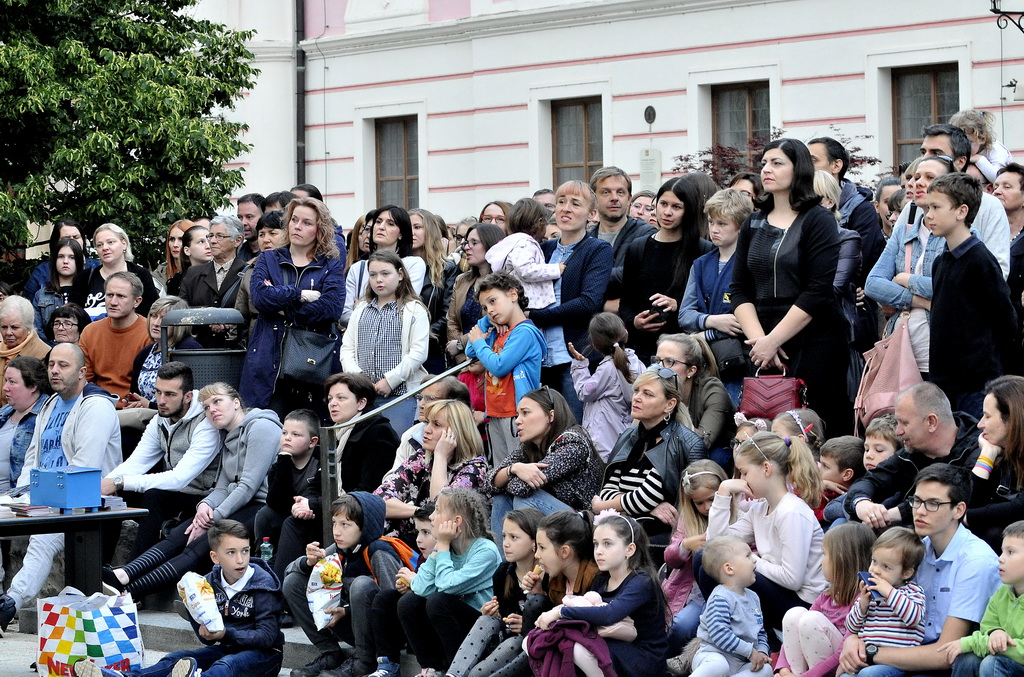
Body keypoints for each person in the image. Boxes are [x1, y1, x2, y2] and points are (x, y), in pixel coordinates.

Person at [104, 382, 281, 598]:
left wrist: (213, 517)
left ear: (236, 403)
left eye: (217, 401)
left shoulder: (262, 427)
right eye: (206, 407)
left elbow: (248, 486)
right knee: (183, 532)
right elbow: (223, 485)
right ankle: (123, 575)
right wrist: (204, 506)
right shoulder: (226, 435)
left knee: (204, 540)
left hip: (262, 506)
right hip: (237, 503)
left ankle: (129, 593)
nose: (212, 410)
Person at [731, 138, 850, 434]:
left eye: (777, 163)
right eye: (764, 163)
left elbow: (818, 290)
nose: (766, 169)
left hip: (814, 338)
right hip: (760, 337)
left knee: (809, 429)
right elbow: (739, 287)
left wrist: (774, 341)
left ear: (799, 170)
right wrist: (761, 343)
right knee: (765, 429)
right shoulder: (753, 223)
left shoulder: (818, 220)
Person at [0, 343, 121, 630]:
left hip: (83, 501)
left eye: (63, 365)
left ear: (82, 372)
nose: (55, 370)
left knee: (42, 540)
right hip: (45, 497)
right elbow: (34, 457)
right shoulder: (50, 405)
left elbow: (84, 466)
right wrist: (22, 494)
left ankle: (9, 604)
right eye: (52, 364)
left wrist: (41, 497)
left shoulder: (96, 406)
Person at [837, 465, 1000, 677]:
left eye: (933, 504)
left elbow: (944, 654)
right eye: (917, 501)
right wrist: (852, 639)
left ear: (958, 510)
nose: (920, 511)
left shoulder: (976, 561)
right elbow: (868, 611)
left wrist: (870, 652)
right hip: (903, 650)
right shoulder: (916, 550)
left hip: (949, 664)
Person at [76, 519, 285, 677]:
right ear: (215, 557)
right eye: (231, 553)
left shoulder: (261, 583)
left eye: (245, 551)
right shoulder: (205, 584)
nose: (240, 560)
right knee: (177, 658)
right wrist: (207, 630)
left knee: (225, 666)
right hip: (226, 647)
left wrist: (225, 633)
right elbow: (206, 637)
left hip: (266, 656)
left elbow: (267, 637)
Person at [702, 432, 826, 632]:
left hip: (801, 604)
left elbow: (792, 579)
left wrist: (751, 559)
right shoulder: (760, 508)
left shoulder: (791, 511)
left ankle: (751, 637)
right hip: (778, 590)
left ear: (766, 468)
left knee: (730, 565)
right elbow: (715, 545)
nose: (741, 480)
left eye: (744, 472)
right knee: (704, 559)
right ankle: (723, 631)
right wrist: (723, 493)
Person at [102, 361, 220, 559]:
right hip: (177, 493)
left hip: (204, 498)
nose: (161, 400)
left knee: (153, 496)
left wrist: (119, 482)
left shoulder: (206, 423)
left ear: (188, 396)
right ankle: (99, 569)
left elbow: (179, 478)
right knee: (113, 497)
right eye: (158, 392)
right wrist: (105, 485)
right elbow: (137, 462)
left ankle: (133, 572)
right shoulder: (161, 418)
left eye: (170, 394)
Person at [241, 197, 345, 419]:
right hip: (270, 356)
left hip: (312, 360)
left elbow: (332, 307)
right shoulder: (268, 258)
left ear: (320, 229)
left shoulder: (330, 263)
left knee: (310, 430)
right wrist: (299, 295)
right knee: (267, 424)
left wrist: (282, 306)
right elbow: (260, 298)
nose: (297, 226)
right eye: (294, 220)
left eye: (307, 222)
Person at [284, 492, 409, 677]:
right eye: (335, 523)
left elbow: (392, 604)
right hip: (349, 625)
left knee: (361, 585)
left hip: (384, 635)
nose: (336, 531)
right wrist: (308, 562)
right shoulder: (340, 548)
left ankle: (364, 661)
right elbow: (288, 571)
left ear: (364, 526)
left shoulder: (379, 551)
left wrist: (348, 610)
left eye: (345, 524)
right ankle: (330, 653)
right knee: (292, 582)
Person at [534, 510, 668, 677]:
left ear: (630, 549)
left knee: (580, 650)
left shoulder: (642, 581)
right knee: (563, 643)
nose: (598, 551)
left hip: (645, 658)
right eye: (596, 544)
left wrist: (560, 612)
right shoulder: (601, 580)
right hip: (615, 646)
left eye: (607, 544)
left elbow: (608, 614)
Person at [926, 173, 1015, 418]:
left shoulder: (980, 260)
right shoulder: (941, 262)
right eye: (927, 207)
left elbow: (1005, 320)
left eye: (936, 207)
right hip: (945, 382)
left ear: (961, 211)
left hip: (977, 383)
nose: (929, 215)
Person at [529, 180, 614, 423]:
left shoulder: (598, 249)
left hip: (574, 356)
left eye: (576, 204)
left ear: (593, 214)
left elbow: (588, 302)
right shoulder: (542, 249)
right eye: (561, 202)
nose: (566, 209)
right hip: (539, 356)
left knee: (573, 429)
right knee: (542, 430)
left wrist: (534, 315)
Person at [864, 155, 956, 378]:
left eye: (929, 177)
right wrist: (921, 301)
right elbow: (872, 284)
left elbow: (953, 288)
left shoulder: (962, 235)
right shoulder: (905, 231)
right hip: (901, 350)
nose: (918, 182)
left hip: (944, 351)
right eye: (915, 177)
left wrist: (906, 279)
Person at [594, 368, 707, 547]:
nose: (637, 397)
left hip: (663, 533)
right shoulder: (629, 435)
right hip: (627, 524)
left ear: (669, 405)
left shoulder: (685, 443)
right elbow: (607, 490)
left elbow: (645, 496)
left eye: (648, 394)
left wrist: (601, 507)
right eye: (637, 391)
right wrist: (650, 508)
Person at [845, 382, 980, 530]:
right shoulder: (910, 452)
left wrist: (894, 514)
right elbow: (873, 479)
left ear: (931, 422)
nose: (898, 431)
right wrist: (861, 502)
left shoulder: (976, 451)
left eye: (904, 423)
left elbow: (958, 497)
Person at [398, 487, 503, 674]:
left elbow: (447, 586)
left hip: (483, 627)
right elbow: (420, 587)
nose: (431, 517)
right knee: (409, 602)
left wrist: (443, 546)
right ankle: (430, 668)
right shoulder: (446, 548)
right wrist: (440, 548)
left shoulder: (485, 551)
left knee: (438, 601)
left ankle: (455, 670)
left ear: (456, 522)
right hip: (455, 625)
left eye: (438, 511)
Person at [619, 176, 713, 364]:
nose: (667, 212)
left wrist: (678, 304)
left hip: (686, 350)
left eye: (676, 207)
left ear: (688, 210)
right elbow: (626, 303)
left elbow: (711, 304)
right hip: (642, 351)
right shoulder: (638, 248)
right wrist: (635, 321)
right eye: (663, 204)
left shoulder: (703, 250)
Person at [488, 387, 605, 535]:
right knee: (501, 498)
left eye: (525, 413)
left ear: (550, 416)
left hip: (584, 526)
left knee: (524, 499)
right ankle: (506, 558)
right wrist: (514, 469)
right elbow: (488, 483)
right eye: (517, 415)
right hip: (559, 519)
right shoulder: (529, 446)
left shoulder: (573, 443)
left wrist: (506, 477)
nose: (517, 421)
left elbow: (521, 487)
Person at [374, 399, 489, 544]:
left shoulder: (475, 469)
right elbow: (378, 501)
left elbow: (442, 509)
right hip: (408, 541)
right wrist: (418, 511)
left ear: (457, 431)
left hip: (448, 547)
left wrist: (441, 457)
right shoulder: (422, 457)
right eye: (427, 422)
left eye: (436, 425)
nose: (427, 429)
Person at [445, 507, 542, 677]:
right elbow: (505, 617)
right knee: (486, 620)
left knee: (514, 641)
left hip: (528, 643)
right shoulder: (503, 572)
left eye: (514, 537)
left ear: (534, 542)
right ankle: (452, 674)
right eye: (504, 536)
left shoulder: (545, 574)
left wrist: (527, 624)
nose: (505, 543)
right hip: (504, 638)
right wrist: (497, 615)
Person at [679, 188, 755, 405]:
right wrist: (711, 322)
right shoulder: (701, 264)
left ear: (740, 226)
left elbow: (740, 323)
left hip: (738, 360)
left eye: (723, 224)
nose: (714, 229)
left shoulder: (751, 263)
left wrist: (706, 333)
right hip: (704, 359)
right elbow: (685, 314)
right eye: (711, 222)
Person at [340, 250, 429, 433]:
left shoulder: (413, 310)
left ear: (400, 274)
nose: (378, 279)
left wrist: (391, 380)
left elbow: (418, 352)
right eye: (373, 275)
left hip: (399, 396)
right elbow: (347, 348)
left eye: (385, 274)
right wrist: (358, 378)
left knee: (394, 445)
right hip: (364, 397)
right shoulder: (361, 309)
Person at [464, 271, 546, 465]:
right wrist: (485, 322)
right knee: (500, 470)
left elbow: (499, 366)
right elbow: (471, 350)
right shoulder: (497, 330)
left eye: (493, 301)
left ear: (512, 295)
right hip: (494, 414)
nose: (490, 310)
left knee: (518, 468)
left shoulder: (525, 333)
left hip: (516, 415)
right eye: (485, 307)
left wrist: (479, 342)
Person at [774, 522, 875, 677]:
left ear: (842, 559)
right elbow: (792, 631)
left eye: (825, 554)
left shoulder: (862, 601)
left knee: (811, 619)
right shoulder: (827, 595)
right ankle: (794, 672)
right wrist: (783, 668)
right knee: (795, 614)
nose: (821, 561)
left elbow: (842, 652)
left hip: (837, 668)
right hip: (810, 668)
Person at [919, 123, 1010, 278]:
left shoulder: (988, 206)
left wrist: (909, 283)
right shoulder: (914, 206)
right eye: (923, 152)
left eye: (936, 153)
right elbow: (876, 281)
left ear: (960, 162)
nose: (925, 158)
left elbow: (996, 274)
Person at [678, 535, 771, 677]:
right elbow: (719, 633)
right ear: (729, 569)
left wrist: (762, 652)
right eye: (747, 555)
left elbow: (760, 632)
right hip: (713, 654)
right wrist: (750, 652)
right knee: (719, 665)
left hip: (741, 662)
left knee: (766, 670)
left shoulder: (754, 597)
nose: (754, 559)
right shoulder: (720, 597)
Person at [941, 520, 1024, 677]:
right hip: (1008, 661)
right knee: (968, 659)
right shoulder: (1001, 594)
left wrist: (969, 642)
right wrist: (996, 632)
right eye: (1002, 551)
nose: (1000, 558)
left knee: (992, 663)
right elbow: (987, 627)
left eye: (1010, 552)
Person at [664, 459, 729, 655]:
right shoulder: (688, 519)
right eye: (699, 503)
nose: (708, 507)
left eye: (712, 499)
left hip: (727, 591)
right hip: (693, 592)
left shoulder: (737, 515)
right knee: (681, 626)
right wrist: (686, 545)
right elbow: (670, 557)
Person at [366, 503, 437, 677]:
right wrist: (407, 586)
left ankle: (432, 668)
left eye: (426, 532)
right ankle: (387, 664)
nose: (419, 539)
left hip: (438, 625)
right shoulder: (423, 557)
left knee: (413, 602)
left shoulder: (446, 555)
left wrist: (415, 584)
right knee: (385, 597)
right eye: (418, 532)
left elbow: (443, 589)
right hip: (418, 620)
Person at [253, 408, 321, 582]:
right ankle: (262, 562)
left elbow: (319, 494)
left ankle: (278, 580)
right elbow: (276, 502)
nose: (288, 438)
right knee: (264, 515)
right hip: (287, 512)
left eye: (296, 434)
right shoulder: (279, 464)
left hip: (312, 518)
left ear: (312, 442)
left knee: (290, 522)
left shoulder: (320, 461)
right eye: (284, 433)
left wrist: (307, 506)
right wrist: (284, 461)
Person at [568, 312, 644, 460]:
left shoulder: (607, 369)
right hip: (622, 437)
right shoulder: (637, 362)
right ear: (625, 334)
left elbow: (585, 392)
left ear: (595, 344)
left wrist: (579, 366)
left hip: (603, 443)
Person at [654, 334, 736, 471]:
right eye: (657, 361)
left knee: (716, 457)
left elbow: (702, 443)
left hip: (719, 452)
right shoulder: (658, 390)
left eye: (669, 362)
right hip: (678, 450)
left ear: (691, 370)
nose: (659, 368)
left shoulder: (713, 390)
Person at [844, 526, 927, 659]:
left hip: (897, 661)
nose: (875, 570)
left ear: (906, 573)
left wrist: (889, 593)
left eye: (886, 566)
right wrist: (862, 605)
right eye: (874, 561)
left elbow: (914, 618)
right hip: (867, 656)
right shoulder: (868, 594)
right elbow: (851, 627)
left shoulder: (913, 591)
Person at [807, 136, 885, 277]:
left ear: (836, 165)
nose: (805, 166)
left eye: (813, 160)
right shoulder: (795, 204)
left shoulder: (862, 209)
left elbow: (860, 262)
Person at [964, 376, 1024, 550]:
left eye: (987, 416)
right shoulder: (1000, 451)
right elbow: (971, 502)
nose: (980, 425)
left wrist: (966, 516)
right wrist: (987, 456)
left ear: (1012, 418)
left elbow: (1019, 508)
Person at [78, 272, 152, 409]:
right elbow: (83, 379)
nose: (113, 302)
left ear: (137, 301)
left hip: (135, 408)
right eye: (109, 295)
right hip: (96, 405)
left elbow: (149, 385)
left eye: (121, 296)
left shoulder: (149, 333)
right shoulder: (90, 332)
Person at [342, 205, 425, 324]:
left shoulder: (413, 264)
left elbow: (405, 308)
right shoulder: (358, 268)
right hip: (362, 340)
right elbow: (344, 314)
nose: (381, 227)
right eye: (378, 222)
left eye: (390, 224)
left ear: (401, 233)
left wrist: (360, 307)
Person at [585, 167, 657, 305]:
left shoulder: (647, 235)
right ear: (593, 198)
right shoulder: (585, 239)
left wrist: (589, 275)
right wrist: (604, 306)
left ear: (629, 198)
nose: (614, 198)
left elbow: (643, 277)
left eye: (620, 192)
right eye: (606, 192)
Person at [324, 372, 400, 493]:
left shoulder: (379, 432)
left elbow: (368, 489)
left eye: (341, 398)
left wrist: (314, 504)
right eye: (330, 399)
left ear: (361, 403)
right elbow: (318, 481)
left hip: (357, 508)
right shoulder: (334, 432)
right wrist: (307, 501)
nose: (332, 403)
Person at [124, 296, 201, 412]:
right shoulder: (145, 353)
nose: (156, 323)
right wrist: (132, 403)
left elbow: (193, 400)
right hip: (145, 417)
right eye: (154, 316)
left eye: (163, 318)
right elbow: (135, 393)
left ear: (178, 323)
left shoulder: (188, 349)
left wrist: (149, 405)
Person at [179, 214, 248, 344]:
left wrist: (228, 321)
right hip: (199, 346)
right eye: (210, 236)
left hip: (236, 349)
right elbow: (180, 309)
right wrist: (207, 315)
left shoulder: (249, 273)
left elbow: (251, 314)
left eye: (220, 236)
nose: (212, 241)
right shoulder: (193, 273)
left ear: (238, 241)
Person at [69, 222, 159, 320]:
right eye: (99, 245)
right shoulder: (85, 277)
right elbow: (74, 315)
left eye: (110, 242)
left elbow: (152, 312)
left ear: (124, 244)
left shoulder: (141, 275)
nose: (105, 248)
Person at [485, 197, 561, 311]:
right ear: (540, 222)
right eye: (545, 223)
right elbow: (525, 270)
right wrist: (556, 269)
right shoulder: (525, 243)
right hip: (527, 302)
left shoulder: (513, 241)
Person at [387, 375, 472, 474]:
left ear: (452, 404)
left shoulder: (467, 441)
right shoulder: (410, 435)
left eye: (429, 399)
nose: (421, 405)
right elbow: (392, 478)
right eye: (420, 398)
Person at [445, 223, 504, 363]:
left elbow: (494, 323)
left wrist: (461, 344)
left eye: (474, 242)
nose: (466, 247)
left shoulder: (503, 283)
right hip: (462, 362)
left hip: (492, 357)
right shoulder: (462, 280)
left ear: (491, 245)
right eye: (466, 242)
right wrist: (462, 359)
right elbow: (452, 321)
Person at [410, 207, 458, 375]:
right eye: (408, 228)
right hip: (400, 348)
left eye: (417, 227)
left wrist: (424, 333)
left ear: (429, 231)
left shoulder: (447, 268)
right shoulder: (398, 266)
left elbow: (448, 313)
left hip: (432, 346)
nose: (412, 233)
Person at [0, 356, 50, 491]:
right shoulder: (4, 412)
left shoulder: (46, 416)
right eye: (5, 381)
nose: (5, 388)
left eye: (12, 382)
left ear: (33, 386)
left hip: (13, 499)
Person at [234, 209, 287, 339]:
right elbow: (241, 315)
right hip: (258, 340)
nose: (266, 239)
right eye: (261, 234)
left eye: (272, 233)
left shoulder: (296, 267)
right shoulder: (250, 270)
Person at [22, 218, 100, 301]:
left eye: (76, 237)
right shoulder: (42, 272)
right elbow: (27, 304)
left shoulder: (96, 267)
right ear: (56, 242)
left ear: (83, 240)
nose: (72, 241)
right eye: (66, 238)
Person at [994, 163, 1024, 373]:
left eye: (1007, 186)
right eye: (996, 186)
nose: (997, 191)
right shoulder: (987, 232)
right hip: (993, 333)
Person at [0, 296, 51, 406]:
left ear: (28, 328)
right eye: (4, 327)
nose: (8, 332)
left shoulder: (44, 354)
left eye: (15, 327)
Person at [33, 237, 84, 338]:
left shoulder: (87, 291)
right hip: (49, 350)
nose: (65, 261)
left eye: (71, 257)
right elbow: (36, 329)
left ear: (78, 261)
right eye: (60, 256)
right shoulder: (41, 295)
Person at [950, 109, 1013, 184]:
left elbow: (998, 179)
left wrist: (979, 159)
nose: (962, 146)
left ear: (982, 139)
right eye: (957, 141)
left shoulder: (996, 150)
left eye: (968, 142)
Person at [169, 224, 212, 297]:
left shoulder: (220, 274)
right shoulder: (176, 282)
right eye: (201, 242)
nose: (208, 246)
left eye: (209, 241)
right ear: (187, 250)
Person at [151, 219, 190, 290]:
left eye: (181, 239)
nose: (175, 245)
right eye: (172, 239)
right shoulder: (158, 275)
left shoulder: (204, 272)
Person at [235, 193, 265, 262]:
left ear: (263, 216)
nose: (243, 223)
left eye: (249, 217)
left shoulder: (275, 253)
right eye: (240, 217)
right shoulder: (236, 253)